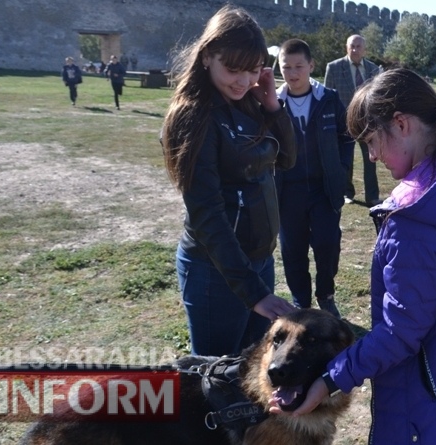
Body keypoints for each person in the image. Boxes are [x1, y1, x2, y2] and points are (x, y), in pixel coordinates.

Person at [270, 68, 436, 445]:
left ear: (402, 124)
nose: (372, 157)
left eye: (373, 141)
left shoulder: (416, 218)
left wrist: (330, 380)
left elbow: (400, 333)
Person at [161, 5, 297, 357]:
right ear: (207, 56)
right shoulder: (194, 117)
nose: (242, 80)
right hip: (216, 272)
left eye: (252, 70)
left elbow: (287, 158)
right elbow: (207, 214)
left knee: (252, 366)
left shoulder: (248, 102)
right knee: (215, 374)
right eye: (233, 69)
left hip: (257, 262)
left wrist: (270, 103)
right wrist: (254, 293)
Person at [274, 39, 353, 319]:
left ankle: (326, 295)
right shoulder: (273, 103)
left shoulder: (328, 99)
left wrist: (342, 170)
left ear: (311, 66)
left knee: (327, 245)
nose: (293, 73)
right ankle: (301, 301)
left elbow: (346, 137)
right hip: (287, 191)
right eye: (286, 67)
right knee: (292, 248)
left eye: (299, 66)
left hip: (324, 190)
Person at [324, 34, 381, 206]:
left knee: (371, 160)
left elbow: (377, 96)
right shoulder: (333, 67)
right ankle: (347, 192)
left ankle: (372, 196)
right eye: (352, 46)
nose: (355, 49)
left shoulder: (373, 69)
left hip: (367, 122)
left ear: (364, 49)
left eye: (358, 46)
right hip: (343, 121)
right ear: (346, 47)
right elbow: (327, 97)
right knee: (345, 159)